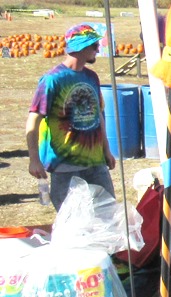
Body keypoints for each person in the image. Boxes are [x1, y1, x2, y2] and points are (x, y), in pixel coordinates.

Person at [26, 24, 116, 211]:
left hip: (96, 162)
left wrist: (106, 149)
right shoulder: (52, 80)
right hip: (65, 164)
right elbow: (33, 120)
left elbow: (98, 114)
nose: (98, 49)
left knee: (107, 216)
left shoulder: (92, 77)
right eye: (94, 45)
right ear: (80, 47)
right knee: (73, 222)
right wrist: (34, 158)